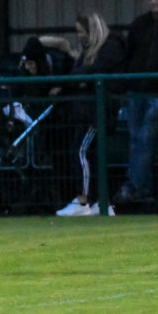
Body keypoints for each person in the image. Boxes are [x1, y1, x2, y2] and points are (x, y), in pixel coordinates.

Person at [50, 11, 126, 216]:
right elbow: (79, 74)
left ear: (91, 30)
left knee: (80, 151)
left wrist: (80, 80)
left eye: (81, 31)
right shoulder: (88, 51)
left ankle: (82, 200)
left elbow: (91, 72)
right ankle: (101, 202)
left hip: (99, 112)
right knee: (92, 155)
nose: (80, 36)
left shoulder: (110, 48)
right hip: (87, 111)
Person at [115, 0, 158, 203]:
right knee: (136, 139)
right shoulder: (139, 25)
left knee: (145, 139)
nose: (153, 2)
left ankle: (133, 186)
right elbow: (128, 55)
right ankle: (142, 188)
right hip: (136, 90)